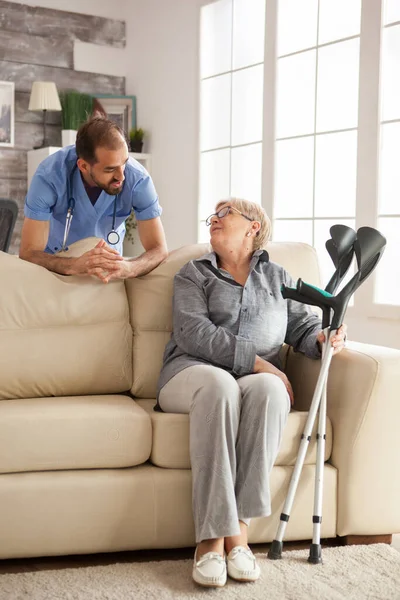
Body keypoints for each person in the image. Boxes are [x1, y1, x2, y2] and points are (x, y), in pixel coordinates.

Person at [157, 198, 347, 588]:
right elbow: (194, 334)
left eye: (225, 214)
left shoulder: (278, 277)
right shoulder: (193, 274)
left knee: (271, 391)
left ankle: (238, 534)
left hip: (250, 380)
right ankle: (210, 540)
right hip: (191, 373)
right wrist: (261, 362)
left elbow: (303, 327)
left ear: (253, 228)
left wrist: (324, 337)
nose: (214, 220)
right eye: (212, 215)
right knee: (221, 384)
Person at [19, 115, 168, 283]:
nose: (121, 176)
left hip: (108, 273)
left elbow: (159, 249)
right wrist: (73, 265)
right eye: (110, 169)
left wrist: (130, 267)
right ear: (83, 166)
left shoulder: (138, 179)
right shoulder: (50, 176)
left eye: (124, 163)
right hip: (56, 269)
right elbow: (29, 252)